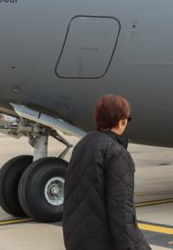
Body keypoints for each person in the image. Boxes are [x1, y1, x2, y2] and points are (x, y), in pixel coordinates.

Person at [62, 95, 150, 250]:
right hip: (104, 242)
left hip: (76, 239)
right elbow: (121, 210)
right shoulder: (116, 153)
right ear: (121, 121)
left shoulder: (82, 145)